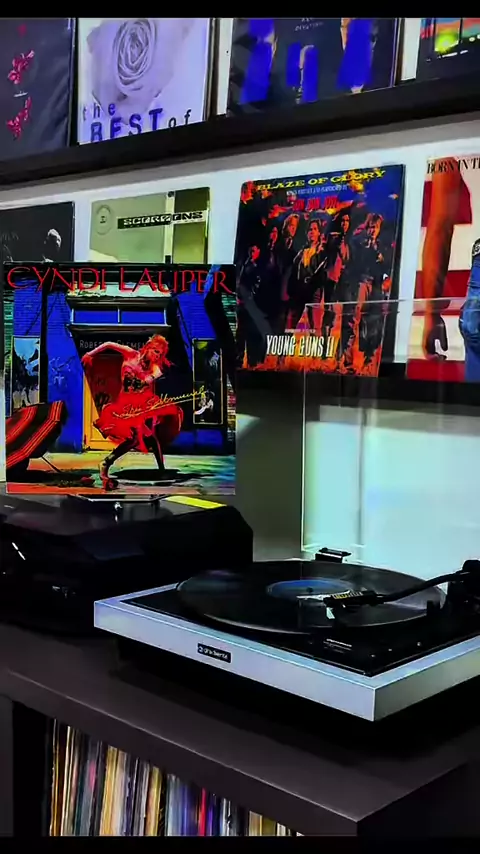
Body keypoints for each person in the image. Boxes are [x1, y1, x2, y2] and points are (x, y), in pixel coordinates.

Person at [81, 334, 183, 486]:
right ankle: (106, 463)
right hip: (124, 404)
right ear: (148, 347)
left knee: (150, 437)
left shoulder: (154, 367)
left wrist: (147, 380)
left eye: (160, 354)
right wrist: (90, 353)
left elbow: (155, 375)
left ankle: (161, 469)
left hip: (140, 405)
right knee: (134, 438)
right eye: (156, 351)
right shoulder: (130, 353)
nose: (157, 356)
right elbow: (109, 343)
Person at [287, 218, 327, 329]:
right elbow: (295, 271)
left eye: (315, 229)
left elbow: (321, 272)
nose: (312, 232)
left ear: (319, 233)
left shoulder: (322, 251)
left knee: (314, 325)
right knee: (291, 324)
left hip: (314, 291)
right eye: (310, 229)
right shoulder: (302, 251)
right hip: (300, 291)